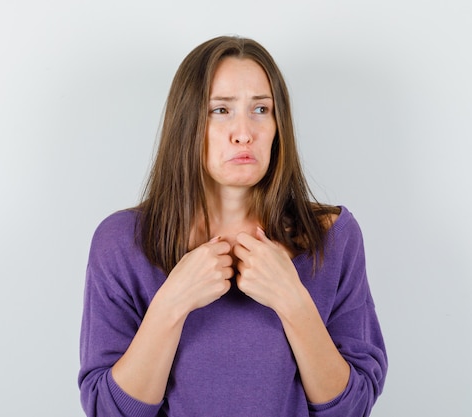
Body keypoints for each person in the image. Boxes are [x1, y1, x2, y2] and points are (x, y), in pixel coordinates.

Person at [78, 36, 387, 417]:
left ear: (278, 125)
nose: (244, 132)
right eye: (220, 110)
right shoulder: (121, 243)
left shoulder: (334, 237)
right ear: (187, 123)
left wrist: (293, 300)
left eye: (261, 108)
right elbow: (109, 411)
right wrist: (171, 304)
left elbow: (353, 407)